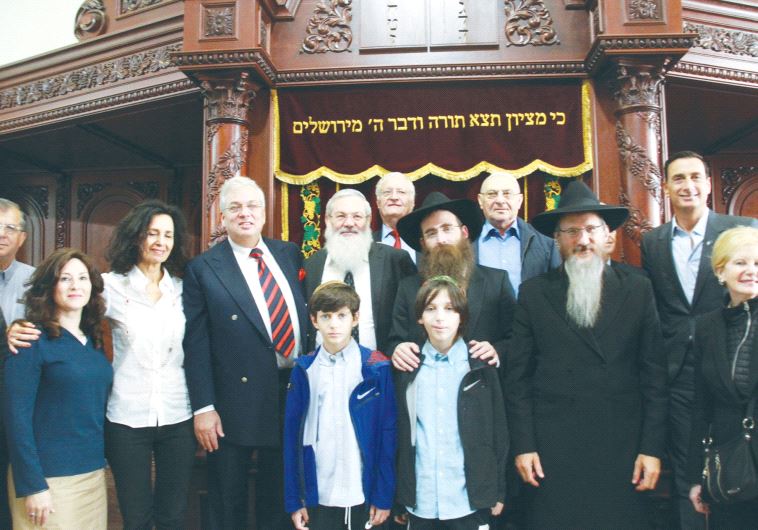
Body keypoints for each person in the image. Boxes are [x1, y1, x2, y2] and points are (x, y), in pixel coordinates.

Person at [8, 200, 197, 529]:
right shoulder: (110, 285)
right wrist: (15, 328)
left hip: (177, 410)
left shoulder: (184, 290)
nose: (160, 241)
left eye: (168, 235)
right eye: (152, 233)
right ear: (135, 237)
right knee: (135, 517)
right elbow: (63, 307)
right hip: (126, 415)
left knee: (173, 516)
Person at [505, 180, 668, 529]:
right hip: (553, 450)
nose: (582, 240)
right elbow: (517, 381)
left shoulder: (638, 288)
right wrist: (524, 445)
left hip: (622, 447)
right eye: (571, 231)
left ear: (608, 235)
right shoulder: (534, 293)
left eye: (592, 229)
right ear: (557, 239)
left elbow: (655, 377)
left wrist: (652, 448)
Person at [641, 150, 758, 529]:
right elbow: (658, 308)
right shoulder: (653, 242)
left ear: (708, 184)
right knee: (689, 473)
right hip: (678, 373)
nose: (687, 185)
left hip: (734, 365)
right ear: (665, 187)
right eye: (678, 178)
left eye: (695, 177)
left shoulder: (741, 228)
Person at [183, 176, 308, 529]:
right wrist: (204, 407)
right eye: (235, 207)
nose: (245, 213)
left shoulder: (288, 253)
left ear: (264, 213)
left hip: (290, 392)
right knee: (228, 499)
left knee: (281, 495)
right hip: (233, 402)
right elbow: (195, 343)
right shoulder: (204, 268)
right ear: (222, 217)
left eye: (252, 206)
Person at [4, 248, 113, 529]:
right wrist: (33, 485)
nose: (76, 285)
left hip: (92, 475)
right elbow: (16, 419)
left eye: (83, 278)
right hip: (48, 481)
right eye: (65, 278)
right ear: (49, 286)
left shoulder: (93, 340)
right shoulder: (30, 340)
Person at [395, 276, 508, 529]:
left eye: (449, 309)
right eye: (431, 308)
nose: (440, 318)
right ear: (419, 317)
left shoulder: (479, 366)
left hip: (468, 499)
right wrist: (400, 497)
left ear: (462, 317)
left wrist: (498, 490)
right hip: (421, 499)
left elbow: (498, 432)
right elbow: (399, 435)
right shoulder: (408, 368)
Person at [283, 281, 396, 530]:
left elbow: (387, 434)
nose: (334, 324)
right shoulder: (304, 370)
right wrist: (294, 500)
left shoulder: (376, 368)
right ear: (314, 320)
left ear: (355, 318)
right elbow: (292, 437)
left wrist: (383, 496)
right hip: (318, 488)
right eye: (326, 316)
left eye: (341, 315)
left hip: (361, 488)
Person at [389, 192, 514, 372]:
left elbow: (515, 338)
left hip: (482, 382)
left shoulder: (497, 281)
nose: (441, 239)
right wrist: (398, 349)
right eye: (431, 233)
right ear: (423, 243)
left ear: (464, 232)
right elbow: (395, 340)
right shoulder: (408, 287)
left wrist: (497, 350)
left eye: (447, 228)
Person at [687, 226, 758, 529]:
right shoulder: (706, 327)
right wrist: (696, 477)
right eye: (740, 262)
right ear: (720, 271)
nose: (751, 270)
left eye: (757, 263)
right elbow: (701, 407)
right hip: (729, 469)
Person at [304, 189, 415, 353]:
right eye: (341, 216)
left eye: (357, 216)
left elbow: (410, 315)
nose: (349, 223)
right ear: (328, 219)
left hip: (379, 364)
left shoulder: (395, 260)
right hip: (323, 364)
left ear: (368, 220)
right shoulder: (312, 264)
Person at [0, 198, 33, 529]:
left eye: (10, 228)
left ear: (22, 238)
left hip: (21, 400)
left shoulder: (37, 281)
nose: (2, 234)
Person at [476, 172, 561, 297]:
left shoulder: (546, 246)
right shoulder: (466, 242)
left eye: (507, 194)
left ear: (519, 200)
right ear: (480, 201)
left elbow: (557, 291)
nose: (500, 200)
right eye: (492, 194)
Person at [373, 172, 418, 263]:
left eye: (401, 192)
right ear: (378, 203)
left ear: (412, 202)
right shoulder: (366, 244)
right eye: (387, 192)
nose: (394, 197)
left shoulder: (424, 241)